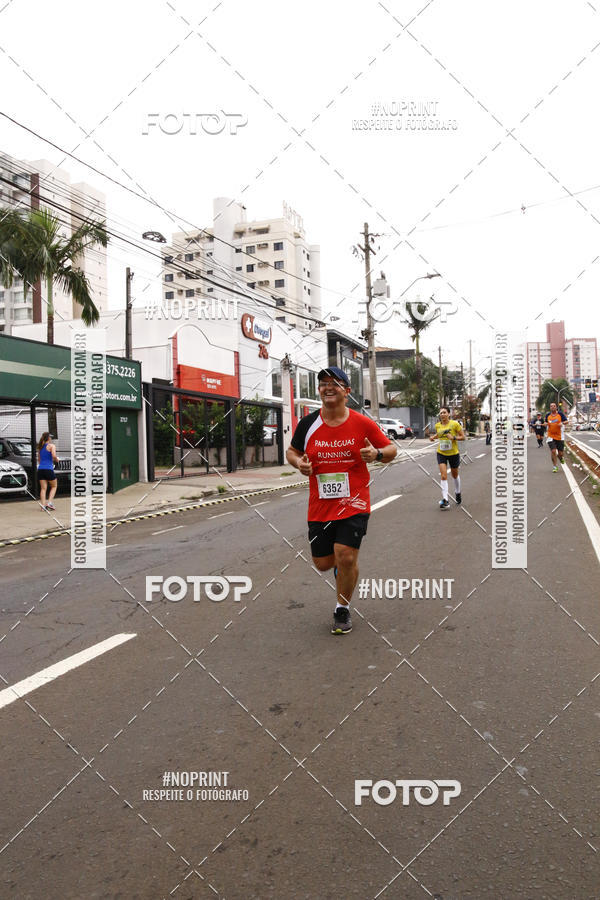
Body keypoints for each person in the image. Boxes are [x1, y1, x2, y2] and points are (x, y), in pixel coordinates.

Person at [286, 367, 397, 635]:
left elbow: (392, 449)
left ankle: (341, 608)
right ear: (319, 391)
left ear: (347, 391)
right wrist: (299, 463)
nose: (328, 387)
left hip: (355, 502)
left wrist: (377, 453)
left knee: (345, 557)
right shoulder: (308, 424)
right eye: (323, 383)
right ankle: (341, 570)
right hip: (320, 505)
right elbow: (292, 452)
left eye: (335, 383)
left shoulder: (362, 423)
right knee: (324, 564)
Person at [427, 407, 465, 509]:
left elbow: (463, 437)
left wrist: (454, 438)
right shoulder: (437, 425)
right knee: (443, 476)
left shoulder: (455, 424)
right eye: (441, 413)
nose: (442, 414)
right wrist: (432, 438)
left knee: (454, 475)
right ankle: (445, 500)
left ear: (449, 414)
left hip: (453, 453)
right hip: (441, 453)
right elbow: (439, 434)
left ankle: (457, 492)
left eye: (444, 412)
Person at [37, 431, 58, 510]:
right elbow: (54, 455)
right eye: (51, 437)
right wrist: (56, 459)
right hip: (48, 469)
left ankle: (43, 507)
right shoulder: (51, 446)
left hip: (40, 469)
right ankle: (49, 503)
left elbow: (39, 460)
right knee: (54, 486)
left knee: (43, 488)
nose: (51, 438)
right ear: (48, 438)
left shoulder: (40, 447)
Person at [545, 401, 567, 472]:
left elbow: (566, 421)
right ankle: (555, 466)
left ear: (556, 407)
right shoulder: (548, 415)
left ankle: (560, 458)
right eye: (551, 406)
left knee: (560, 453)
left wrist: (562, 423)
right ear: (550, 408)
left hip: (560, 436)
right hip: (550, 435)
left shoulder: (560, 414)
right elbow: (546, 422)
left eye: (554, 406)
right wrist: (545, 424)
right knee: (553, 451)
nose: (552, 407)